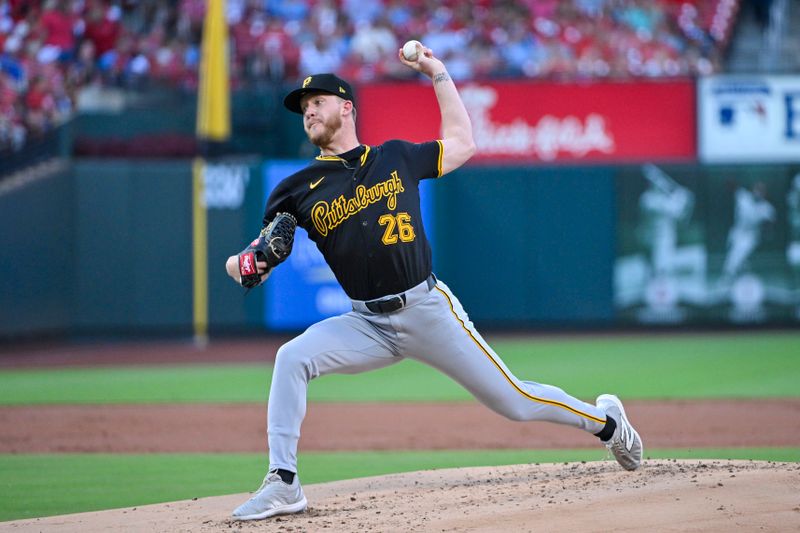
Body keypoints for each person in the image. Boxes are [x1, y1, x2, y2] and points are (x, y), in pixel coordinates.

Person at [224, 43, 643, 522]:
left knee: (514, 402)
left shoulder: (397, 157)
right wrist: (248, 262)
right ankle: (283, 483)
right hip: (366, 325)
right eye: (302, 107)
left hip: (426, 309)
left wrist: (437, 72)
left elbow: (463, 144)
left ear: (346, 107)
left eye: (316, 102)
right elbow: (247, 263)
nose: (308, 112)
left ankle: (608, 424)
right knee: (291, 357)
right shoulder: (294, 189)